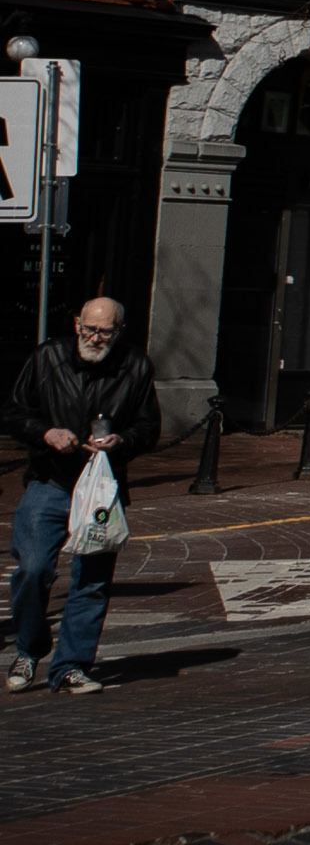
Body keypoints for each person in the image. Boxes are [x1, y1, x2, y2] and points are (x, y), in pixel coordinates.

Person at [11, 296, 157, 695]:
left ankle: (71, 666)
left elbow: (149, 428)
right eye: (88, 329)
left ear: (119, 331)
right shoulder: (48, 357)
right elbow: (14, 412)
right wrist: (47, 433)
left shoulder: (136, 366)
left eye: (104, 331)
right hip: (51, 480)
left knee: (91, 582)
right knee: (33, 569)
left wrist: (120, 441)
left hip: (102, 488)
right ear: (77, 324)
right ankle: (29, 647)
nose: (94, 337)